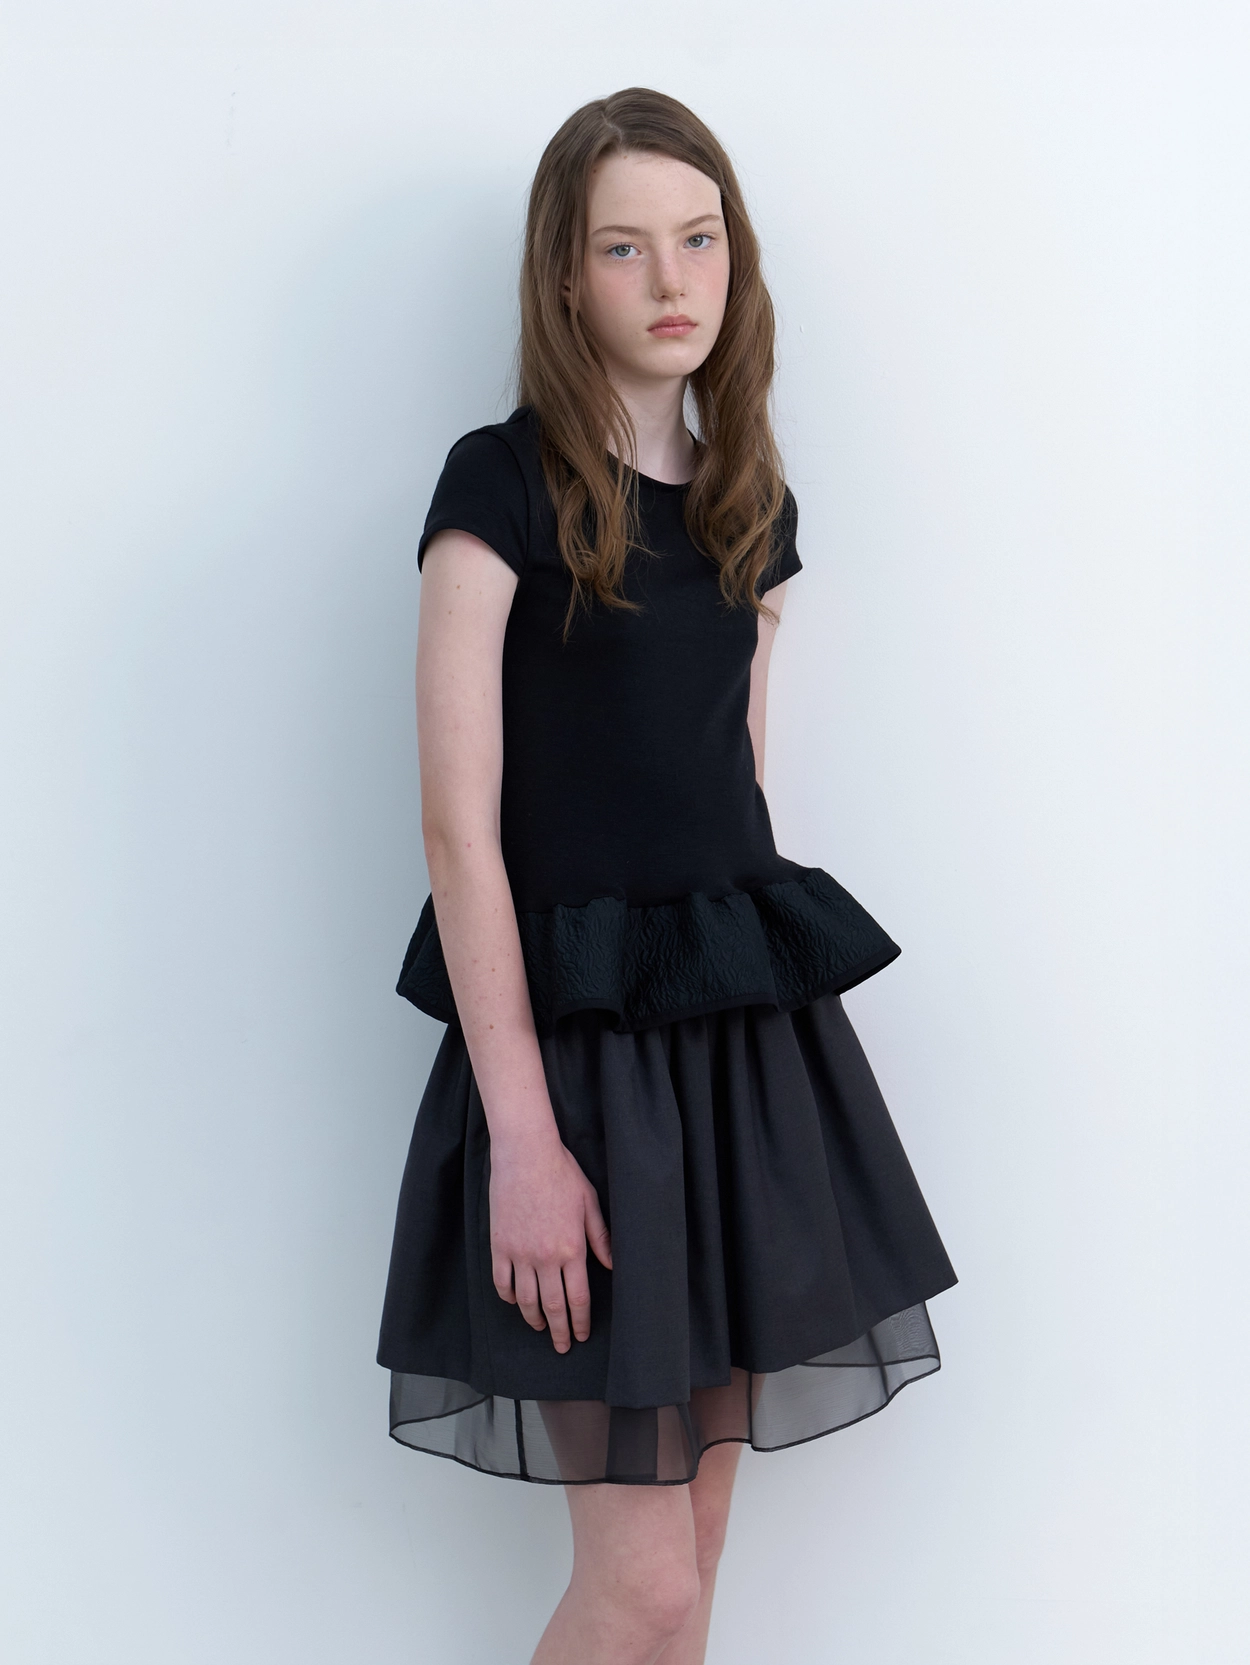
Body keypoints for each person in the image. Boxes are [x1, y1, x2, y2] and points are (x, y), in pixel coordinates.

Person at [377, 87, 958, 1665]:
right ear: (566, 278)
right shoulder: (496, 486)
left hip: (738, 1061)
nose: (668, 279)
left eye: (696, 240)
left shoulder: (748, 505)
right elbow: (457, 833)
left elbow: (733, 788)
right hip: (572, 1067)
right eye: (623, 247)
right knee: (638, 1586)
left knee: (688, 1581)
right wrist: (521, 1138)